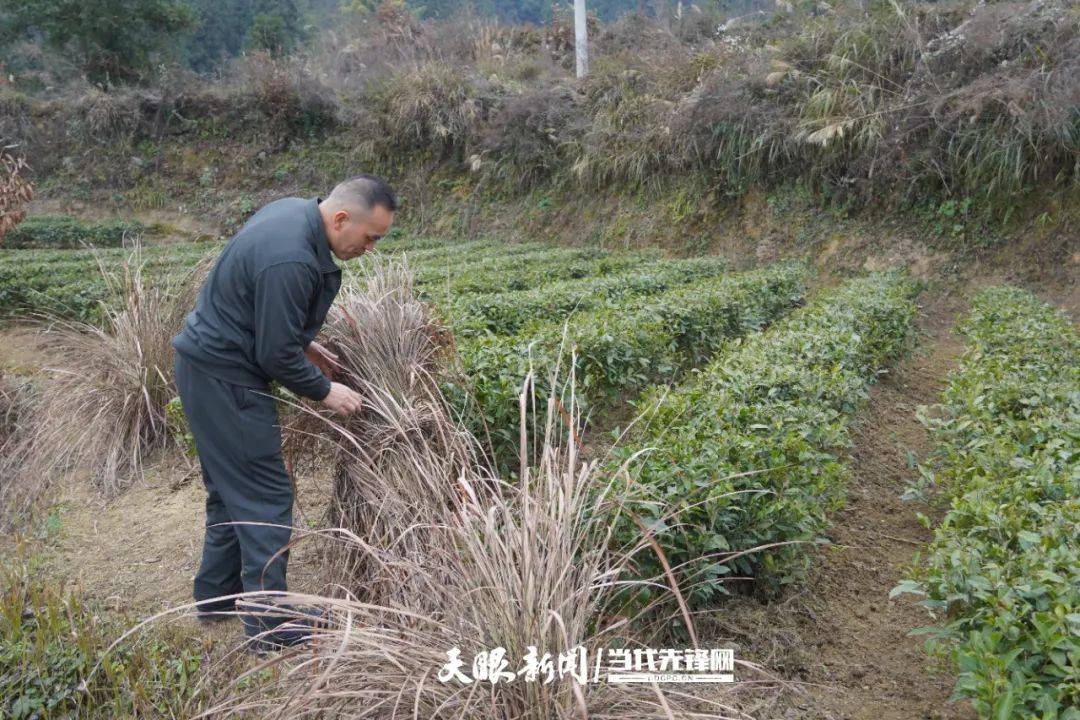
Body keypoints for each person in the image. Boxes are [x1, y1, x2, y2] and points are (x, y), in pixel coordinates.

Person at [171, 175, 397, 650]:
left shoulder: (292, 212)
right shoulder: (293, 258)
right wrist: (325, 391)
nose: (371, 248)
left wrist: (302, 340)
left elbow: (262, 310)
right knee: (265, 496)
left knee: (229, 490)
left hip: (202, 365)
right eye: (371, 237)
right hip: (227, 379)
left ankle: (217, 597)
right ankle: (268, 625)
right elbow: (274, 354)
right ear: (341, 219)